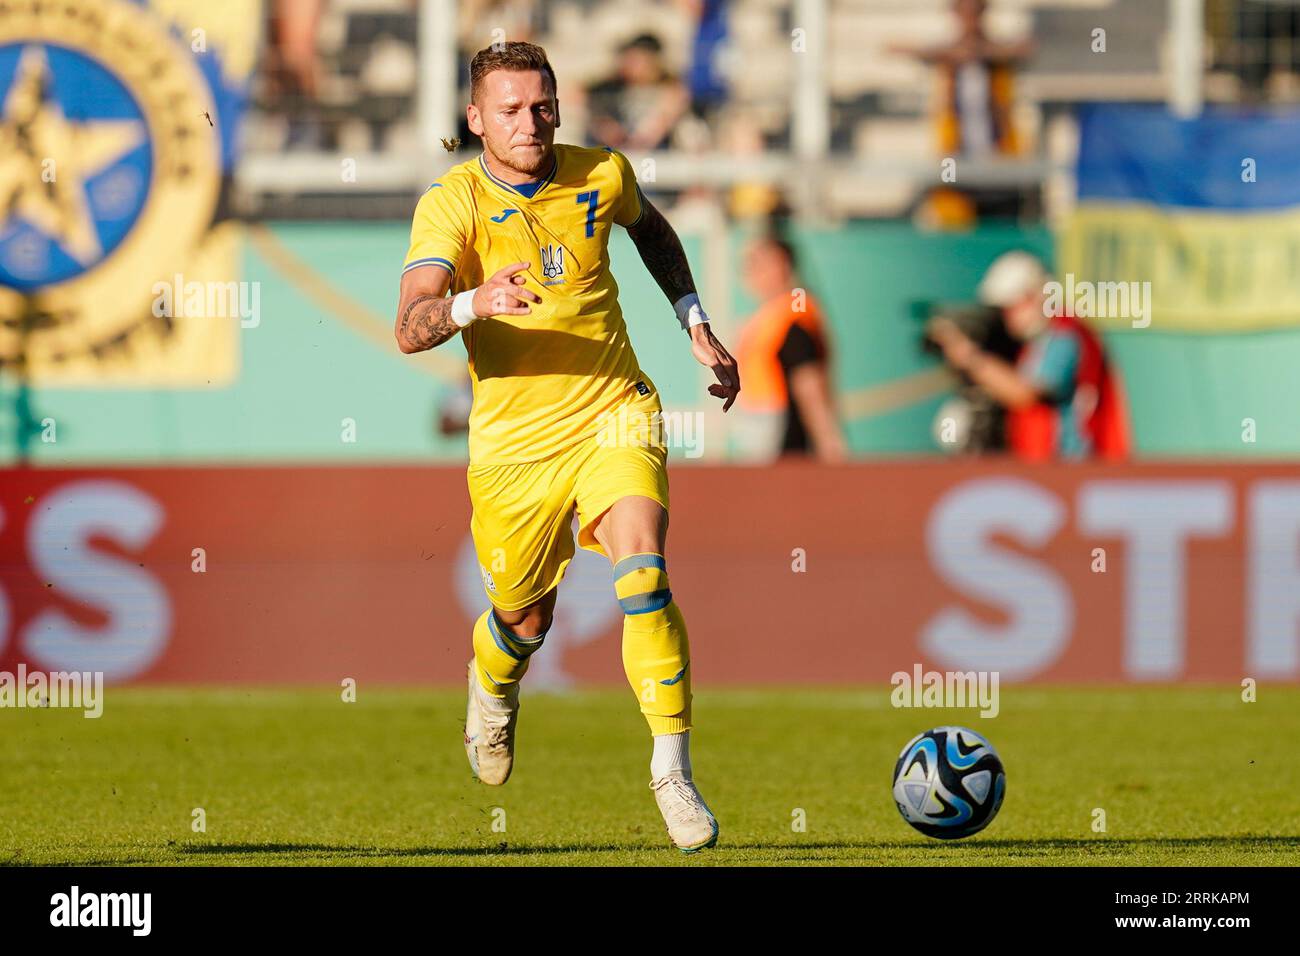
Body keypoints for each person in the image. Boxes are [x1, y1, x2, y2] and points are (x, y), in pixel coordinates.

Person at [394, 41, 739, 852]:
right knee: (525, 618)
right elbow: (410, 326)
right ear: (476, 119)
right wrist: (474, 302)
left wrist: (693, 320)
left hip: (614, 409)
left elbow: (652, 230)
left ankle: (671, 770)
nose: (530, 123)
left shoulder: (601, 173)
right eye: (510, 110)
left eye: (542, 106)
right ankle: (492, 688)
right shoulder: (453, 203)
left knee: (643, 572)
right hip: (514, 444)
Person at [926, 251, 1129, 461]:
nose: (1008, 318)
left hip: (1074, 464)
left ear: (1037, 295)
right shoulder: (1039, 341)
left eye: (1012, 307)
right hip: (1049, 464)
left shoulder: (1065, 336)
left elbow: (1025, 393)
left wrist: (971, 359)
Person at [736, 233, 846, 461]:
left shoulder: (793, 315)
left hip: (782, 431)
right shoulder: (770, 314)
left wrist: (828, 440)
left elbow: (809, 382)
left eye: (759, 263)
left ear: (782, 265)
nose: (750, 272)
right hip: (759, 421)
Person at [582, 33, 690, 151]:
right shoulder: (610, 88)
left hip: (657, 154)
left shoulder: (671, 89)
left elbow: (658, 126)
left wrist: (641, 139)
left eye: (636, 60)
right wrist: (604, 126)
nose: (629, 64)